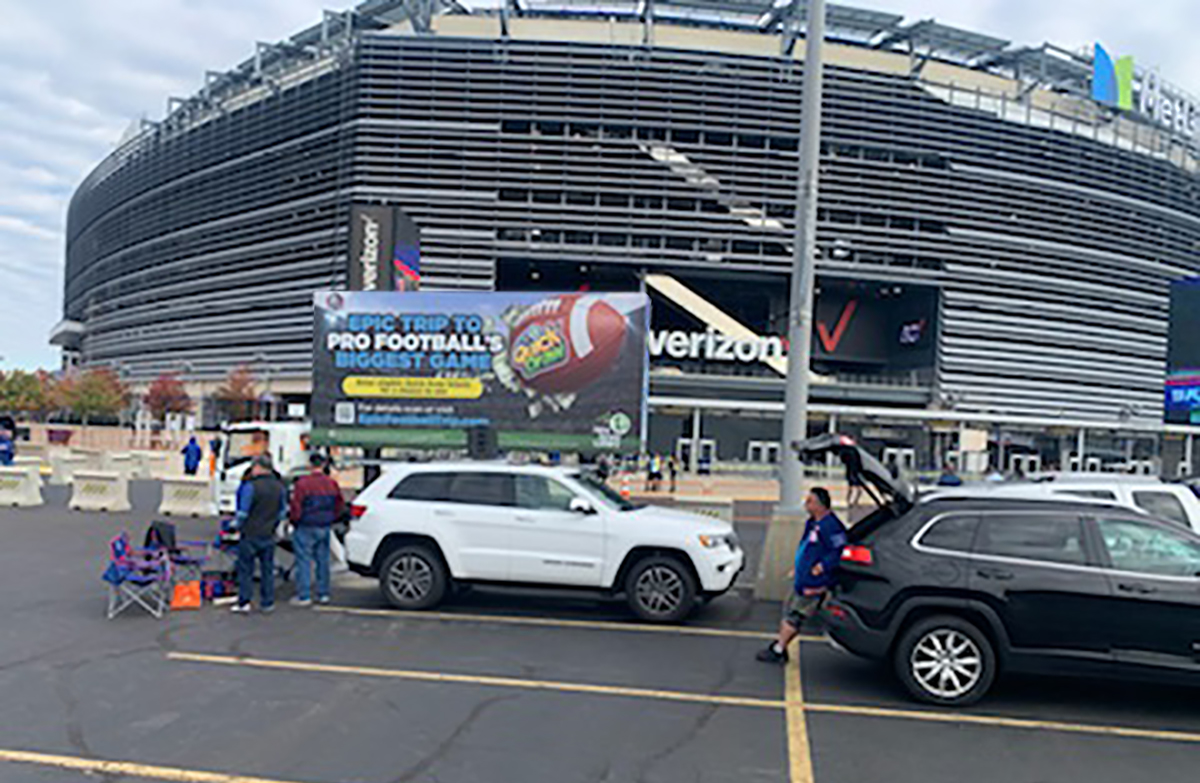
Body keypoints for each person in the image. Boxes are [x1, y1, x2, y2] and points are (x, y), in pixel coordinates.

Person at [757, 487, 848, 664]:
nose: (806, 504)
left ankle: (779, 649)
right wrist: (797, 568)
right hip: (803, 578)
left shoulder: (831, 526)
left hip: (814, 582)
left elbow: (839, 551)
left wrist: (822, 566)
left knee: (795, 614)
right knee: (790, 610)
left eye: (810, 501)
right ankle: (780, 646)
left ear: (820, 505)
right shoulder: (812, 523)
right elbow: (806, 548)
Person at [231, 455, 288, 614]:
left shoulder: (251, 486)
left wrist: (235, 526)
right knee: (267, 570)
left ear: (258, 467)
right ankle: (267, 602)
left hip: (250, 532)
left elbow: (243, 512)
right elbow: (282, 512)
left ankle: (244, 601)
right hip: (268, 533)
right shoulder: (279, 487)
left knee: (246, 569)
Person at [288, 453, 346, 607]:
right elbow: (339, 505)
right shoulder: (331, 483)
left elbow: (296, 506)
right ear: (323, 465)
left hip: (305, 525)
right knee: (323, 561)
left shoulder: (302, 484)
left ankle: (304, 595)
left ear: (310, 465)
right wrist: (331, 518)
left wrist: (294, 520)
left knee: (304, 561)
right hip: (324, 526)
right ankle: (323, 593)